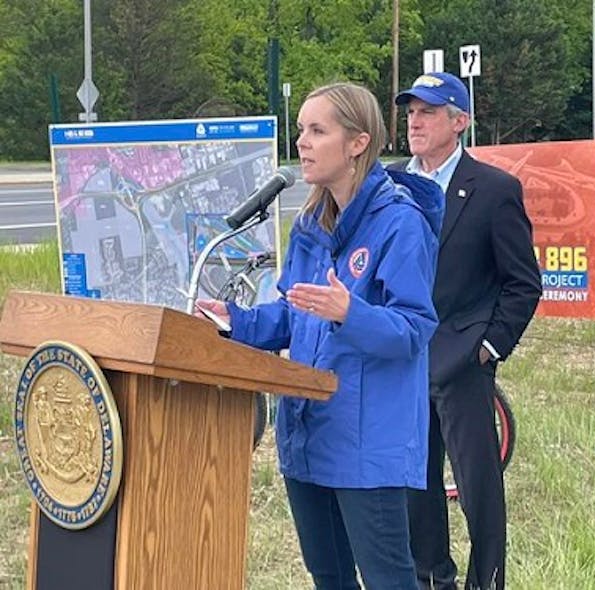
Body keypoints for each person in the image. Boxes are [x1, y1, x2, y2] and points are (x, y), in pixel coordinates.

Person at [195, 82, 444, 590]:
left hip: (366, 444)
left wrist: (352, 313)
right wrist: (235, 321)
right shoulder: (311, 223)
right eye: (300, 130)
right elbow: (293, 314)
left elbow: (414, 330)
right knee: (328, 576)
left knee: (388, 579)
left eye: (317, 130)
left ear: (358, 142)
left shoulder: (401, 224)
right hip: (307, 433)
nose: (302, 142)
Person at [390, 72, 542, 590]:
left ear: (460, 121)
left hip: (462, 362)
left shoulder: (494, 190)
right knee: (415, 482)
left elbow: (522, 283)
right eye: (410, 110)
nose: (414, 120)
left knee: (478, 486)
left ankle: (487, 580)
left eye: (428, 111)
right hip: (402, 360)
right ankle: (431, 576)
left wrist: (488, 347)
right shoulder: (389, 186)